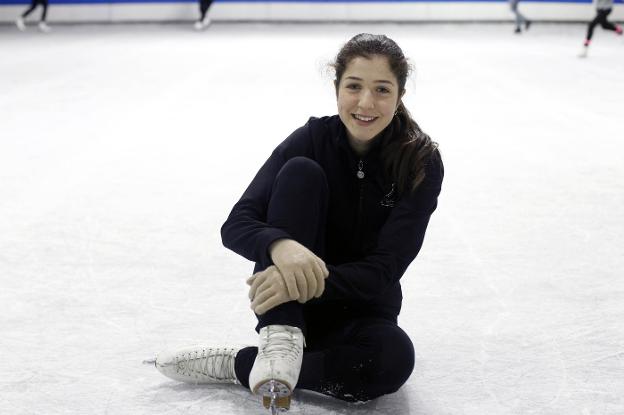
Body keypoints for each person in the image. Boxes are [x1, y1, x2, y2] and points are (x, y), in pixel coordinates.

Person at [148, 33, 444, 412]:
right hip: (287, 315)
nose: (366, 103)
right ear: (337, 87)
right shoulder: (311, 140)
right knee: (300, 173)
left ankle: (241, 364)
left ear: (400, 94)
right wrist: (280, 247)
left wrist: (298, 281)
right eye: (354, 86)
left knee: (393, 359)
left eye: (382, 90)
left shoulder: (420, 162)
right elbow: (237, 223)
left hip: (362, 310)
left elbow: (383, 270)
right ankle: (279, 344)